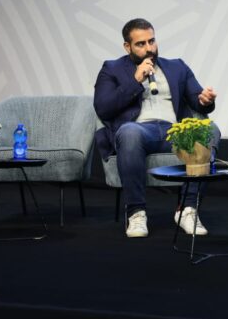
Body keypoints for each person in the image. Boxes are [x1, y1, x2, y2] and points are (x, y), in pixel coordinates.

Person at [94, 18, 220, 238]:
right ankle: (136, 213)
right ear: (127, 46)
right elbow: (103, 108)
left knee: (210, 129)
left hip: (174, 132)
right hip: (139, 130)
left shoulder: (177, 67)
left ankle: (188, 209)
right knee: (130, 132)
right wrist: (135, 80)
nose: (149, 48)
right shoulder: (111, 69)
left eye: (151, 41)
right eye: (140, 44)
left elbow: (198, 100)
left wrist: (206, 100)